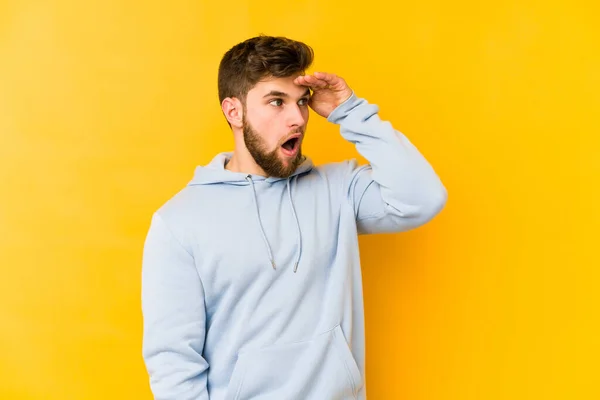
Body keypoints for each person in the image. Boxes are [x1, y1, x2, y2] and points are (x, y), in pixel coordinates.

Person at [141, 35, 447, 400]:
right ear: (233, 111)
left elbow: (423, 197)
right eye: (277, 102)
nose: (298, 118)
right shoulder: (179, 223)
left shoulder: (339, 190)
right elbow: (174, 364)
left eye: (302, 102)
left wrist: (349, 110)